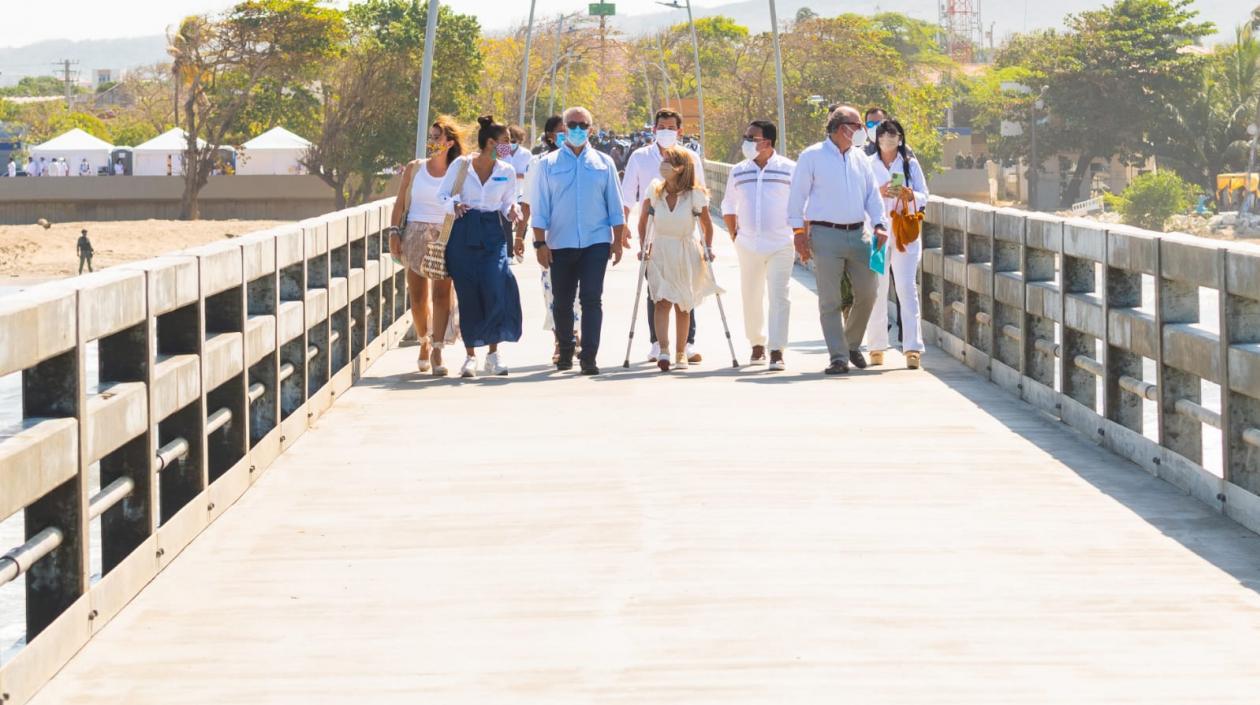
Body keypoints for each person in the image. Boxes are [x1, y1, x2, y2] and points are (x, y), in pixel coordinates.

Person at [787, 105, 890, 375]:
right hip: (825, 235)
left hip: (860, 234)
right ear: (841, 127)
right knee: (830, 300)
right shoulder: (812, 156)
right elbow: (797, 197)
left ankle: (851, 343)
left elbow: (872, 197)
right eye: (857, 125)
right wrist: (799, 233)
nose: (862, 131)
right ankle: (838, 357)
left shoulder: (860, 159)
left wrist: (880, 224)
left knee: (869, 292)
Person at [530, 105, 626, 375]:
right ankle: (565, 350)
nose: (577, 129)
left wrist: (617, 241)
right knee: (561, 301)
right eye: (572, 124)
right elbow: (540, 208)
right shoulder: (547, 165)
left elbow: (615, 206)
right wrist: (539, 243)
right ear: (563, 126)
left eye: (583, 125)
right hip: (561, 242)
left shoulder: (603, 163)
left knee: (592, 298)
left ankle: (590, 356)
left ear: (591, 130)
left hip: (596, 242)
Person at [438, 115, 523, 378]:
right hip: (464, 230)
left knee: (495, 284)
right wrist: (454, 204)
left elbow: (509, 201)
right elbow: (442, 195)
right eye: (505, 142)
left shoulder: (506, 171)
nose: (510, 146)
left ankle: (494, 354)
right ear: (490, 143)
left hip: (492, 231)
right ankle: (470, 355)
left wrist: (513, 212)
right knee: (468, 292)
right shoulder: (462, 166)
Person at [621, 108, 706, 364]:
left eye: (671, 127)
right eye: (661, 127)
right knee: (656, 291)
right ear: (654, 129)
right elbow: (628, 194)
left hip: (683, 234)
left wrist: (704, 241)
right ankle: (658, 344)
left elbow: (699, 195)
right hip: (653, 234)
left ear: (680, 131)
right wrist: (624, 225)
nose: (666, 131)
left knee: (684, 290)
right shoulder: (639, 157)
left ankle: (686, 344)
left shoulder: (690, 156)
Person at [389, 115, 465, 376]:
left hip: (445, 233)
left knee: (442, 295)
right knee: (418, 297)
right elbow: (400, 203)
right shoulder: (415, 168)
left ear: (450, 142)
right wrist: (394, 232)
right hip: (414, 234)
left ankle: (437, 349)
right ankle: (423, 340)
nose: (432, 142)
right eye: (430, 138)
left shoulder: (459, 170)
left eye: (437, 138)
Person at [721, 120, 796, 371]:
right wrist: (734, 234)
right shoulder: (739, 170)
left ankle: (777, 350)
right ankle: (756, 344)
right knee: (751, 295)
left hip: (781, 243)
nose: (746, 141)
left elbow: (800, 205)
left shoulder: (788, 169)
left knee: (779, 296)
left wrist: (801, 235)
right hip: (748, 244)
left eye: (751, 137)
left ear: (767, 142)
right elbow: (728, 205)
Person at [638, 146, 719, 371]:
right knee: (661, 301)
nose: (663, 165)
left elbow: (706, 224)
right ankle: (663, 350)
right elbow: (644, 220)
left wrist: (708, 246)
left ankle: (681, 352)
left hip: (685, 250)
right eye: (663, 160)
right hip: (661, 249)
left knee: (683, 305)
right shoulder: (655, 190)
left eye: (669, 161)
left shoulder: (695, 194)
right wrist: (643, 245)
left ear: (681, 167)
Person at [863, 119, 929, 370]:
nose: (887, 139)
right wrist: (879, 191)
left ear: (900, 138)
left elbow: (925, 195)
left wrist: (909, 194)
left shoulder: (910, 165)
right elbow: (861, 196)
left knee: (905, 287)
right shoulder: (868, 165)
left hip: (904, 235)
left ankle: (912, 347)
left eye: (892, 134)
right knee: (877, 288)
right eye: (883, 134)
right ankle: (876, 346)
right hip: (877, 235)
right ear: (876, 139)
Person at [518, 115, 579, 362]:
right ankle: (561, 339)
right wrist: (520, 235)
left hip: (581, 236)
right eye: (562, 131)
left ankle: (576, 335)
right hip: (547, 235)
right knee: (554, 291)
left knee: (583, 293)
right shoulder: (534, 160)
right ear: (549, 136)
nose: (509, 142)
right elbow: (527, 202)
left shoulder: (520, 152)